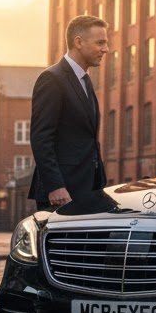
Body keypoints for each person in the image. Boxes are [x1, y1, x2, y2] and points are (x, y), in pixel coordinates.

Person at [29, 15, 110, 209]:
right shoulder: (52, 79)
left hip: (88, 188)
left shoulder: (85, 80)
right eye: (100, 43)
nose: (106, 49)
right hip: (62, 193)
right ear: (79, 42)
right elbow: (41, 137)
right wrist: (55, 186)